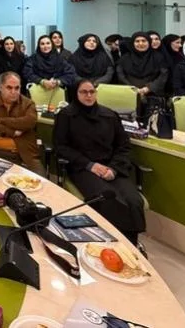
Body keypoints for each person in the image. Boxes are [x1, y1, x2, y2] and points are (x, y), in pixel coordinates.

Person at [53, 79, 146, 245]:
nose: (89, 96)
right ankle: (111, 243)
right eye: (84, 92)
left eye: (92, 92)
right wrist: (90, 165)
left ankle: (130, 244)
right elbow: (61, 147)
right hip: (83, 168)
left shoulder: (109, 115)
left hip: (112, 167)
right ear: (76, 93)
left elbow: (123, 147)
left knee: (133, 200)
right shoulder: (66, 115)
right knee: (107, 198)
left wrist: (114, 169)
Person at [0, 71, 42, 174]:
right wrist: (11, 132)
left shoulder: (28, 104)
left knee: (39, 181)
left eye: (17, 88)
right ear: (0, 87)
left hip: (24, 153)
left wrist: (3, 120)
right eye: (9, 88)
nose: (14, 92)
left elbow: (30, 121)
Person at [116, 32, 168, 99]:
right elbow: (120, 75)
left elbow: (163, 75)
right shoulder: (124, 58)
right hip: (129, 94)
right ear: (132, 43)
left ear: (149, 42)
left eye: (144, 41)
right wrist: (132, 89)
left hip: (153, 95)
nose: (140, 43)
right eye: (137, 41)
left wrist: (149, 88)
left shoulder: (158, 57)